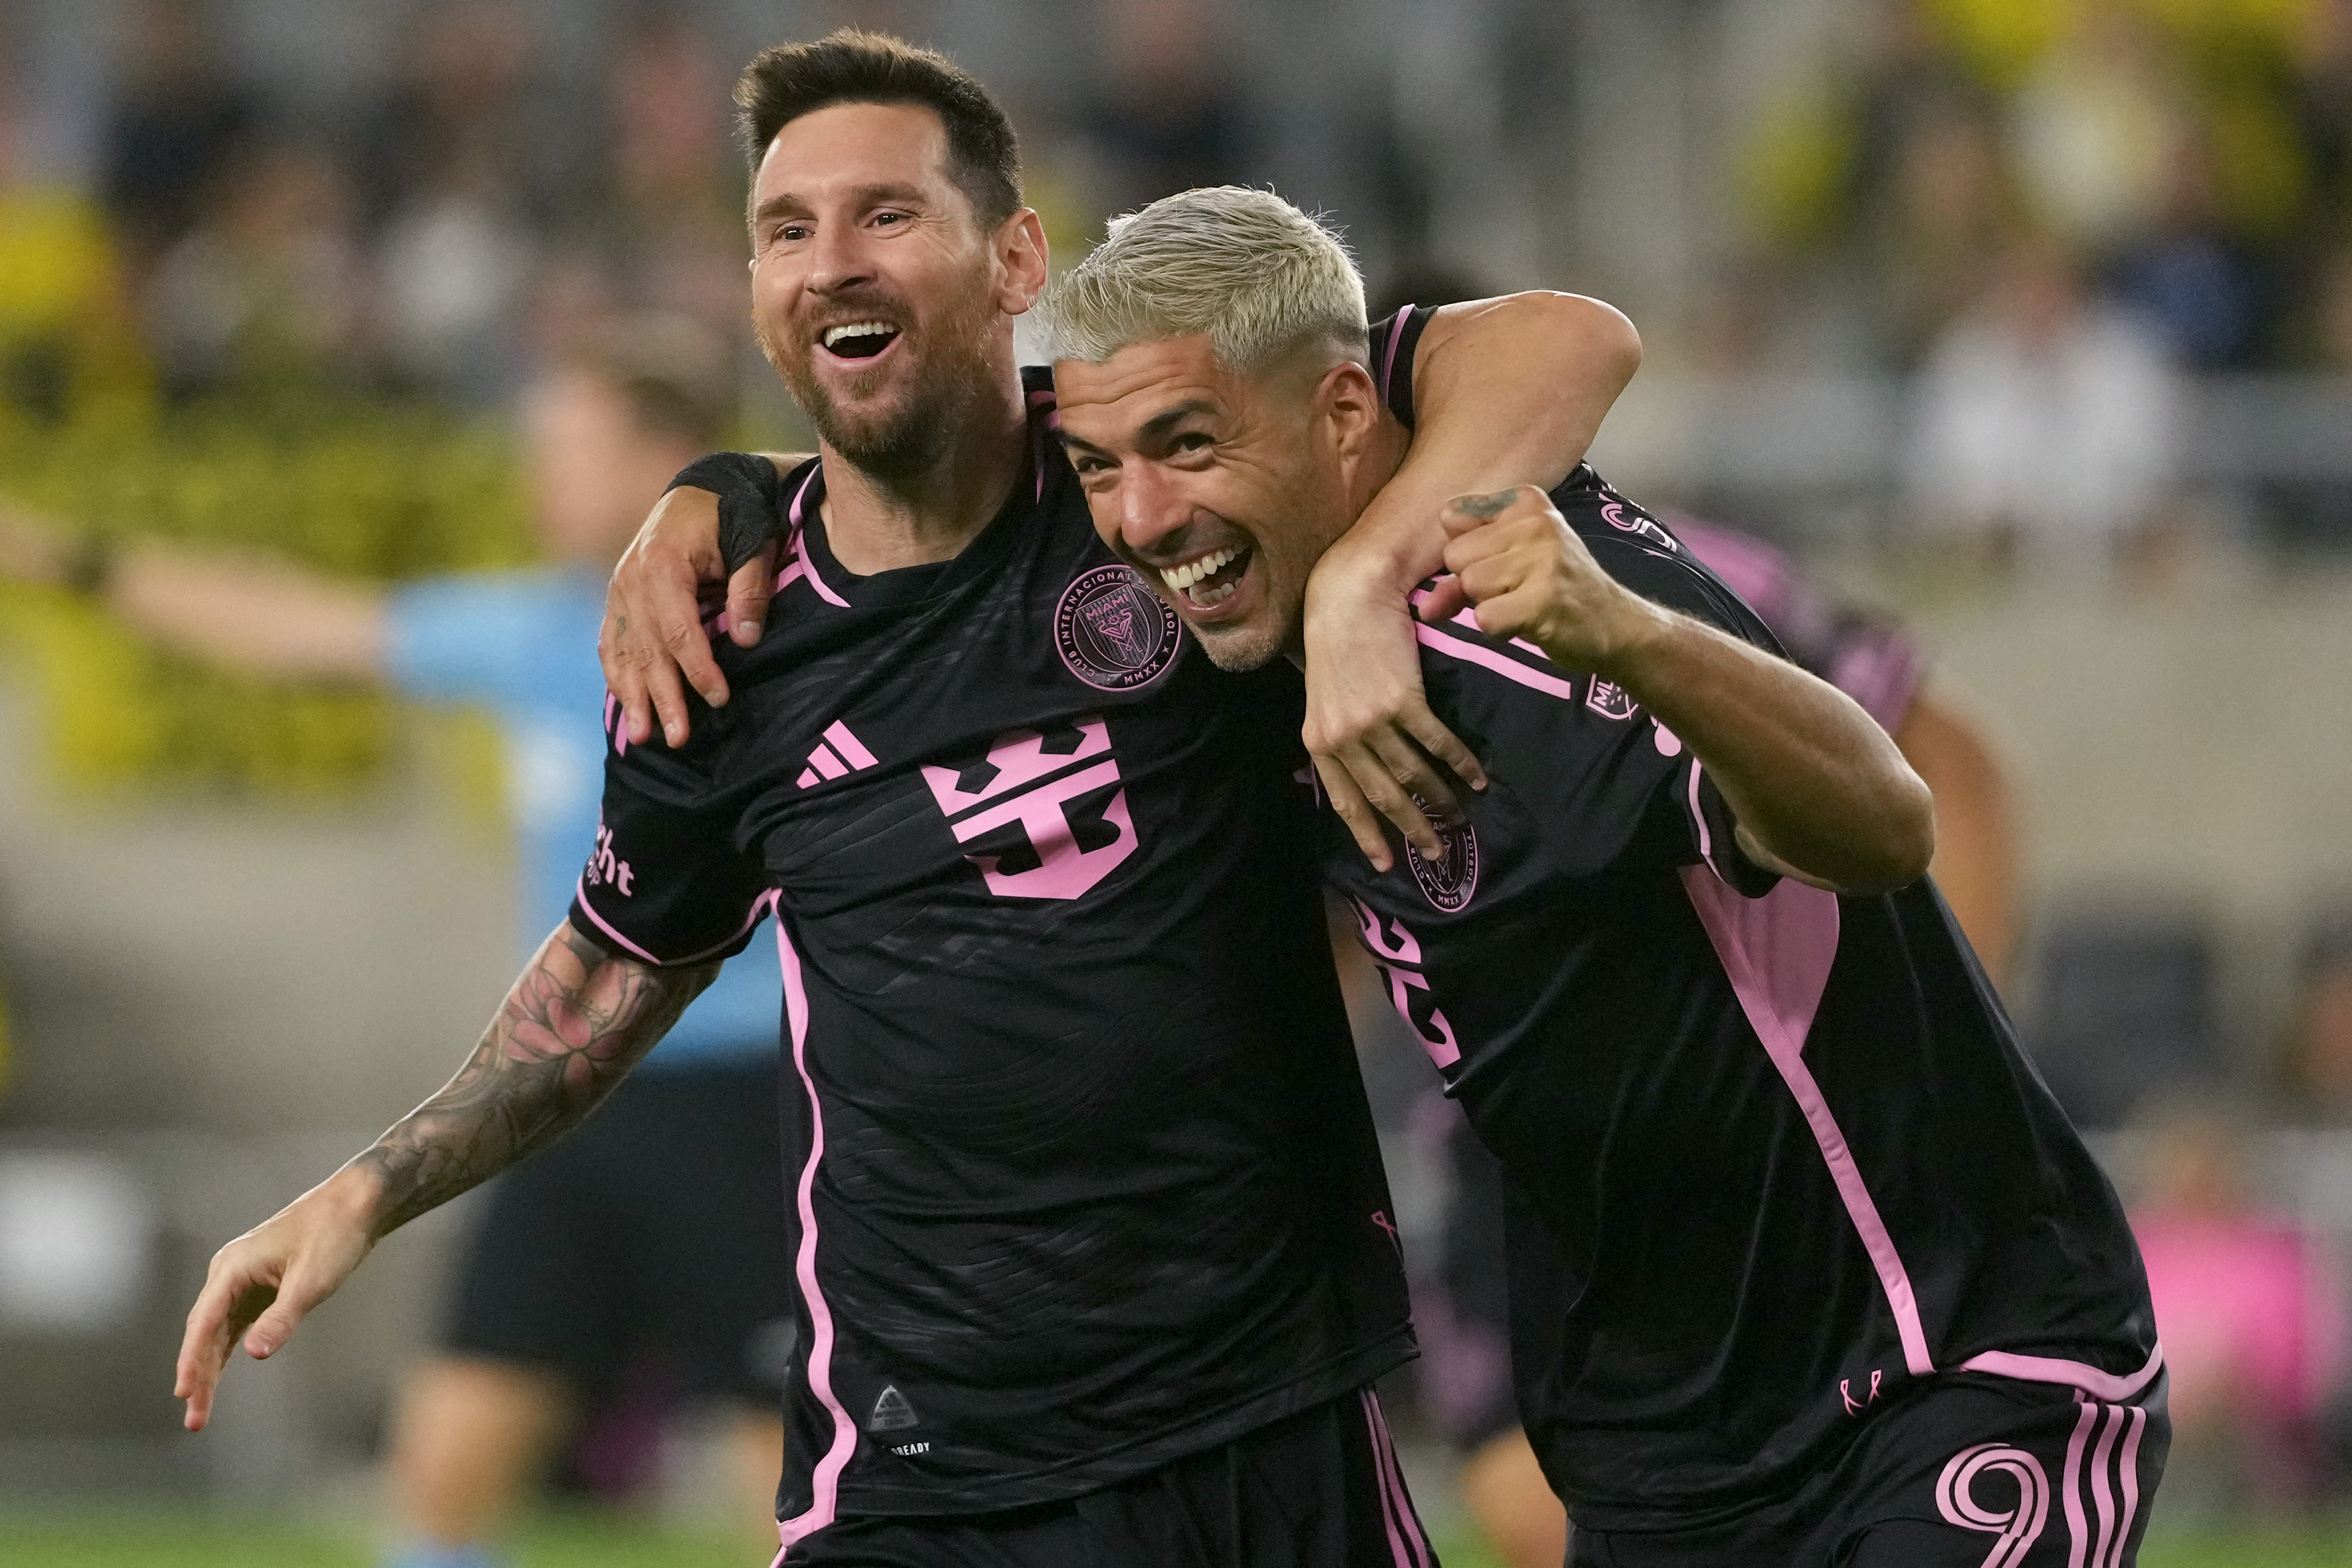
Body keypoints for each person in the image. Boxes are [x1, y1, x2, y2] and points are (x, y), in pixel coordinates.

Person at [176, 31, 1645, 1566]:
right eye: (786, 231)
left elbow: (1565, 340)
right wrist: (363, 1192)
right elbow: (614, 969)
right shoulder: (722, 640)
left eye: (886, 215)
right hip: (921, 1472)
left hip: (1264, 1423)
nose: (830, 263)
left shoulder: (1153, 484)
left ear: (1017, 257)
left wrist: (1366, 585)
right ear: (753, 292)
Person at [1035, 185, 2165, 1567]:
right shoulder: (1234, 629)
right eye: (1099, 466)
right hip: (1660, 1457)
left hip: (1937, 1374)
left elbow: (1888, 818)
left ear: (1345, 415)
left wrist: (1627, 635)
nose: (1143, 516)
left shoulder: (1525, 621)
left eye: (1188, 446)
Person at [0, 321, 792, 1564]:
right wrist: (68, 560)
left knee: (792, 1504)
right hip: (570, 1108)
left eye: (568, 449)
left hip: (755, 1114)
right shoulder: (540, 633)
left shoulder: (782, 636)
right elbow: (296, 629)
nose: (539, 479)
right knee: (437, 1486)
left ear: (671, 461)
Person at [1404, 513, 2022, 1568]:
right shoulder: (1297, 609)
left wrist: (1944, 1062)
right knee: (1520, 1490)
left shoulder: (1670, 564)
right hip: (1523, 1132)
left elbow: (1944, 766)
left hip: (1785, 1118)